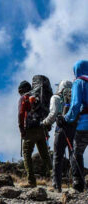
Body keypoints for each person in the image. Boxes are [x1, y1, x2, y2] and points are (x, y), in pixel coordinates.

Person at [57, 60, 88, 192]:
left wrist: (65, 119)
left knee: (76, 152)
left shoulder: (79, 82)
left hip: (84, 124)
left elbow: (75, 105)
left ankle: (78, 184)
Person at [42, 80, 74, 192]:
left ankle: (57, 185)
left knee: (57, 157)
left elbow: (53, 114)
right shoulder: (75, 96)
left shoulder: (56, 97)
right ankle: (76, 184)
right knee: (73, 156)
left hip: (61, 129)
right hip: (74, 129)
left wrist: (44, 122)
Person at [18, 80, 52, 187]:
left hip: (30, 130)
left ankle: (31, 181)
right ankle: (56, 180)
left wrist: (21, 130)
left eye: (20, 90)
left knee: (27, 154)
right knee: (45, 156)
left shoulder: (24, 98)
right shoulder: (39, 97)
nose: (19, 93)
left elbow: (21, 114)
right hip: (42, 129)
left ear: (23, 89)